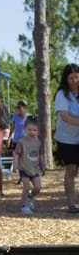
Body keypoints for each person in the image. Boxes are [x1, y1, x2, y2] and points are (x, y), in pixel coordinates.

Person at [54, 62, 79, 213]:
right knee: (71, 169)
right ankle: (71, 203)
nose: (75, 81)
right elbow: (64, 116)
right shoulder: (61, 95)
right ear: (66, 79)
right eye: (71, 78)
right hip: (66, 139)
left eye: (77, 77)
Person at [13, 116, 45, 215]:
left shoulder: (38, 143)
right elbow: (17, 155)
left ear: (38, 131)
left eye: (34, 130)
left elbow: (41, 155)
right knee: (26, 186)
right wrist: (15, 165)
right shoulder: (22, 142)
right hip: (24, 169)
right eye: (29, 130)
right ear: (25, 129)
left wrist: (43, 166)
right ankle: (25, 204)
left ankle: (30, 197)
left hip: (34, 169)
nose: (32, 132)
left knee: (37, 187)